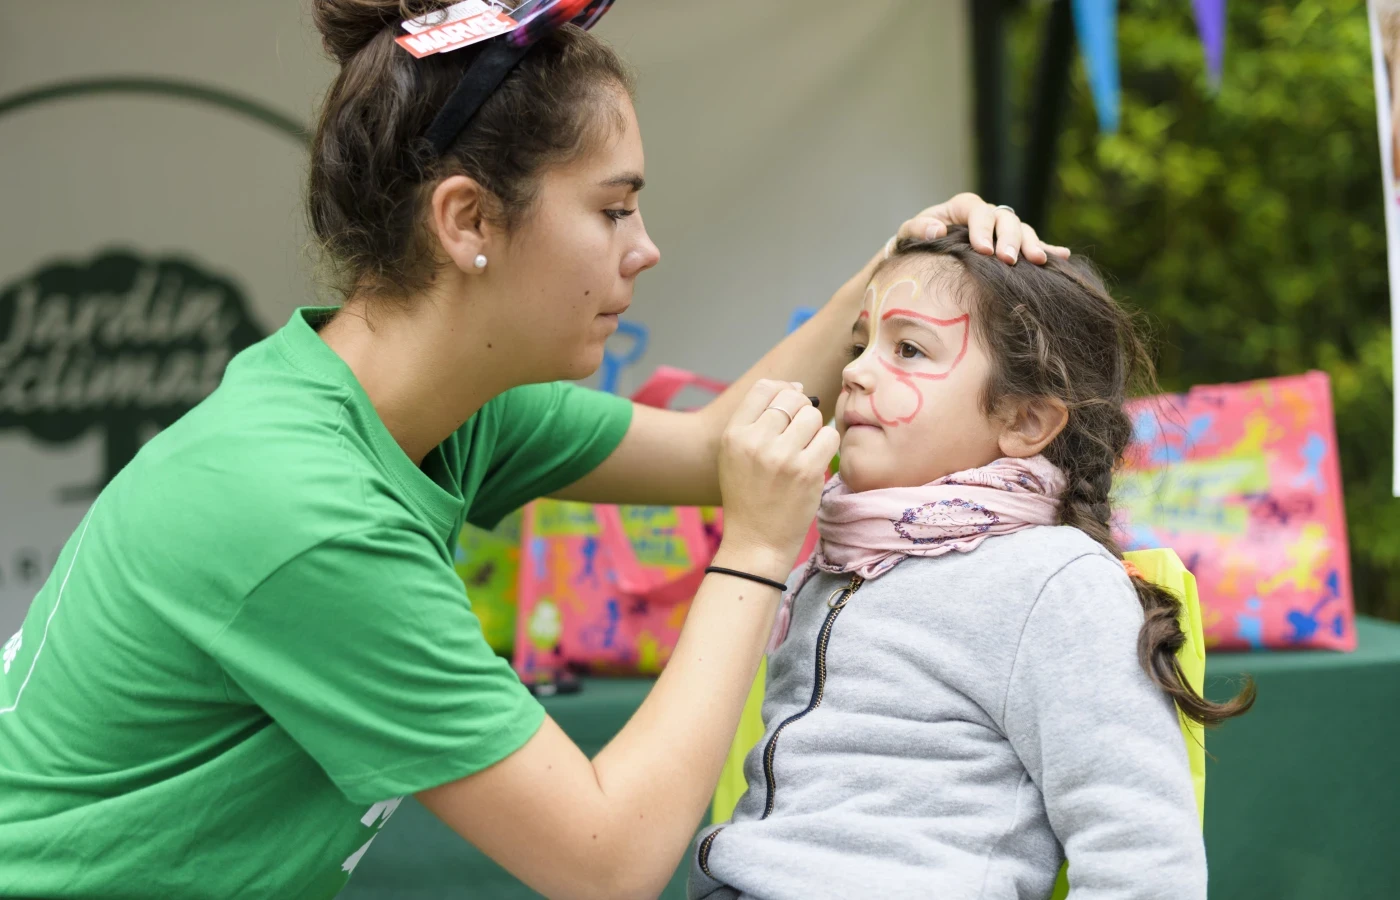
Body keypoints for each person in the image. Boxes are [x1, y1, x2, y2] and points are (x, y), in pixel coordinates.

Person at [0, 4, 1067, 898]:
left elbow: (713, 445)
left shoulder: (434, 406)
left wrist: (888, 271)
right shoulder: (304, 513)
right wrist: (752, 551)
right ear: (467, 220)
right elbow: (606, 860)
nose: (645, 249)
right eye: (613, 209)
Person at [689, 228, 1255, 900]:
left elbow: (1143, 860)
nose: (855, 372)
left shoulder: (1054, 581)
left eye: (908, 349)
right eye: (859, 345)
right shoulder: (824, 560)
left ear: (1024, 420)